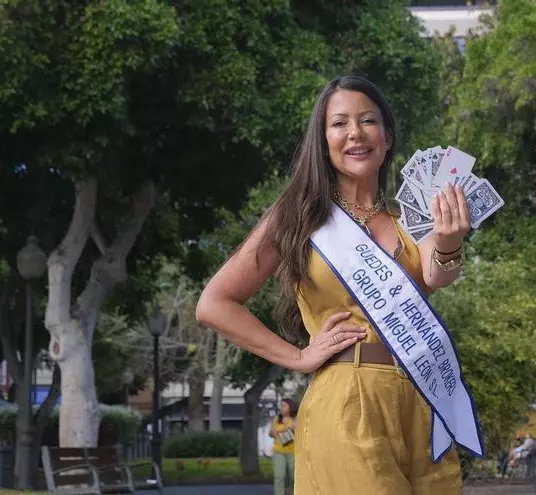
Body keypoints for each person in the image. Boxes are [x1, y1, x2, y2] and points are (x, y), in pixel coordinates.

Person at [196, 75, 472, 494]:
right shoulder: (299, 216)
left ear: (387, 135)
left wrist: (450, 239)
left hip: (424, 401)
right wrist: (298, 357)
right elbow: (215, 303)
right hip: (348, 399)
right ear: (323, 140)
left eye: (368, 121)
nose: (355, 134)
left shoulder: (411, 215)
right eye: (339, 123)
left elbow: (438, 276)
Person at [271, 398, 298, 495]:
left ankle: (291, 492)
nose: (281, 408)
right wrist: (286, 429)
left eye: (284, 405)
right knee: (279, 476)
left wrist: (294, 428)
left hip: (293, 451)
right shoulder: (277, 419)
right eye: (281, 405)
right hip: (279, 451)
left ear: (290, 407)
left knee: (293, 476)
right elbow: (271, 433)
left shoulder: (296, 419)